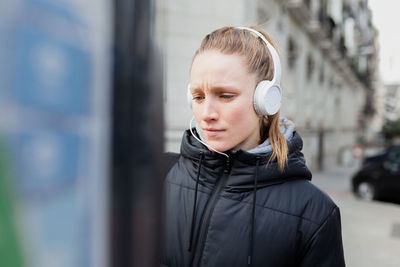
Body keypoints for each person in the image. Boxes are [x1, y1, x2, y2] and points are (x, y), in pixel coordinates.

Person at [162, 25, 345, 267]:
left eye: (225, 95)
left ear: (266, 100)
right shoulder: (157, 173)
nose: (206, 113)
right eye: (198, 97)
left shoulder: (314, 213)